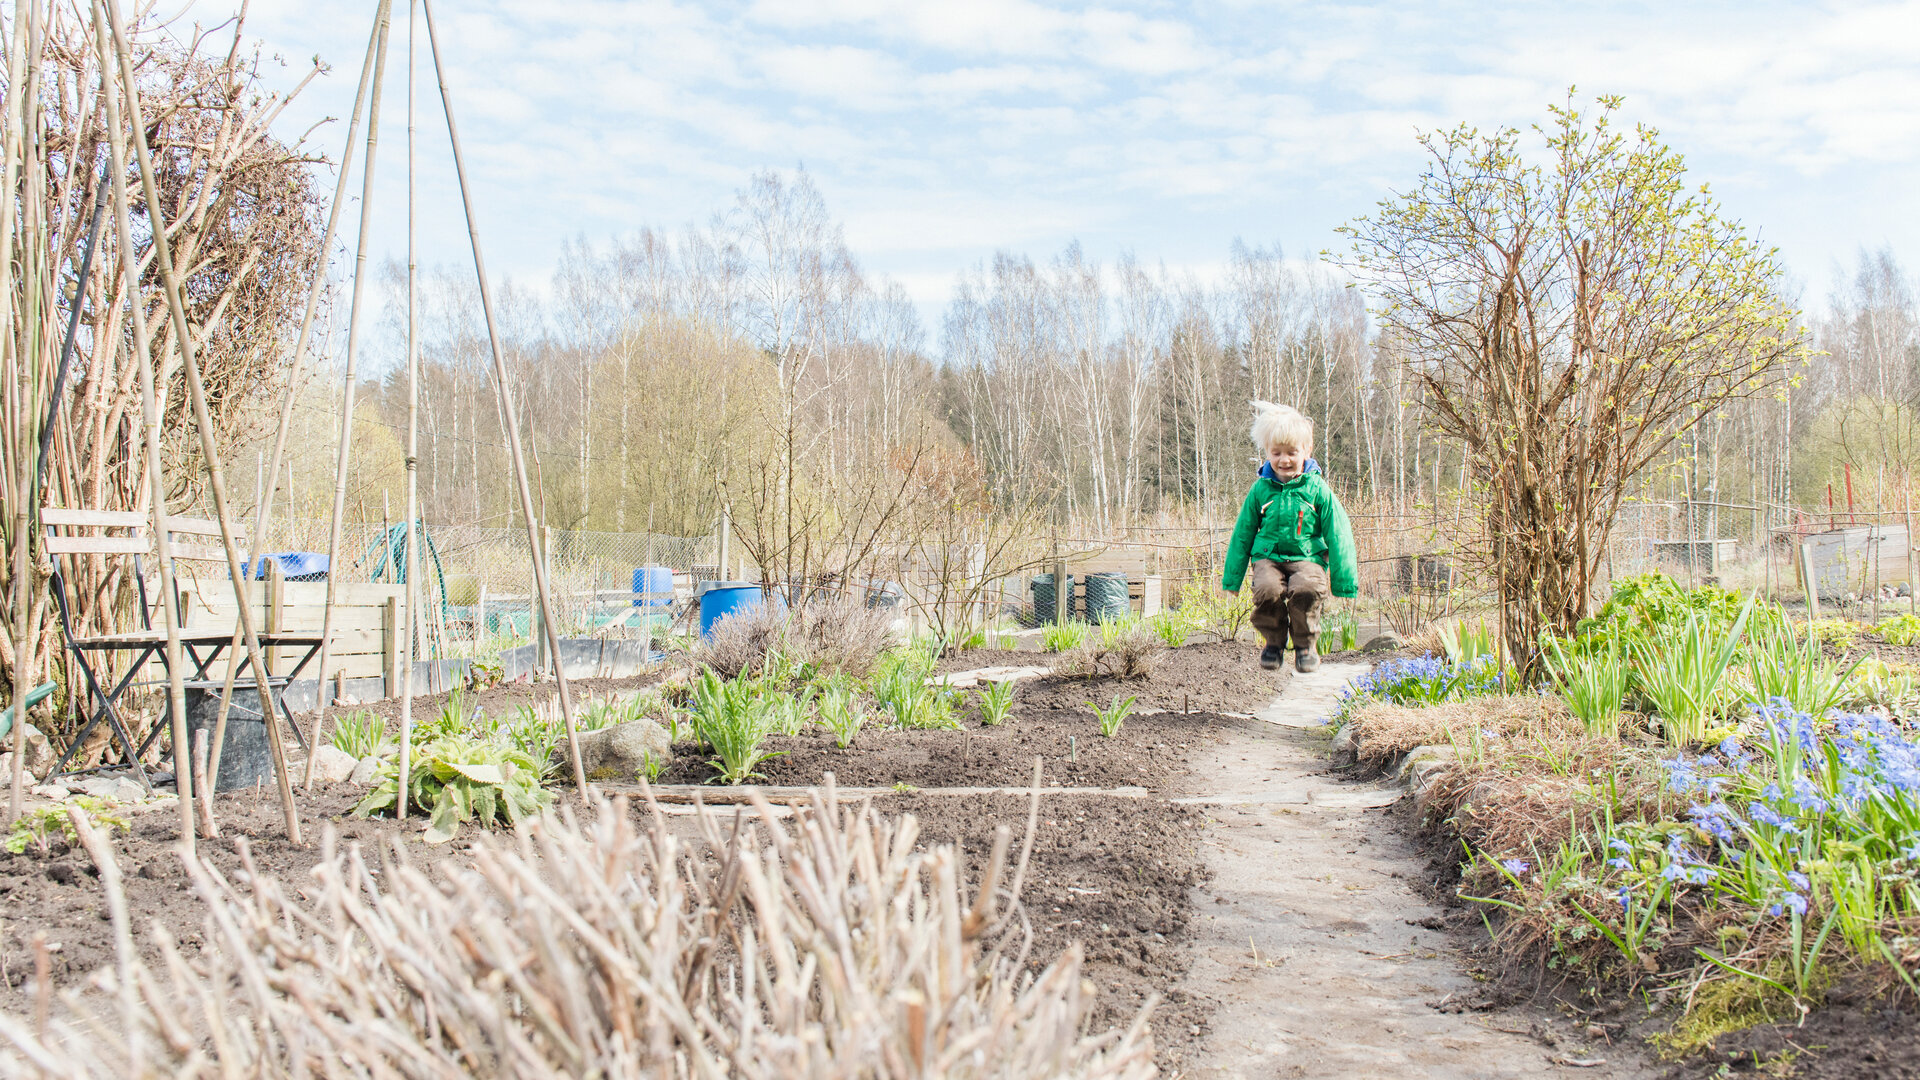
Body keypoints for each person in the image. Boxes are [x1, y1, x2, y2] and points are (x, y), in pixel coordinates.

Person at [1220, 402, 1358, 672]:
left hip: (1307, 556)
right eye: (1276, 453)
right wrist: (1232, 579)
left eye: (1292, 453)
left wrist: (1344, 584)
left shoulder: (1318, 490)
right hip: (1268, 557)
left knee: (1306, 588)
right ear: (1267, 453)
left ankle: (1305, 645)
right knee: (1267, 590)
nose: (1284, 460)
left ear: (1306, 451)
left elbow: (1339, 534)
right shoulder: (1260, 489)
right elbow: (1242, 534)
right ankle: (1274, 642)